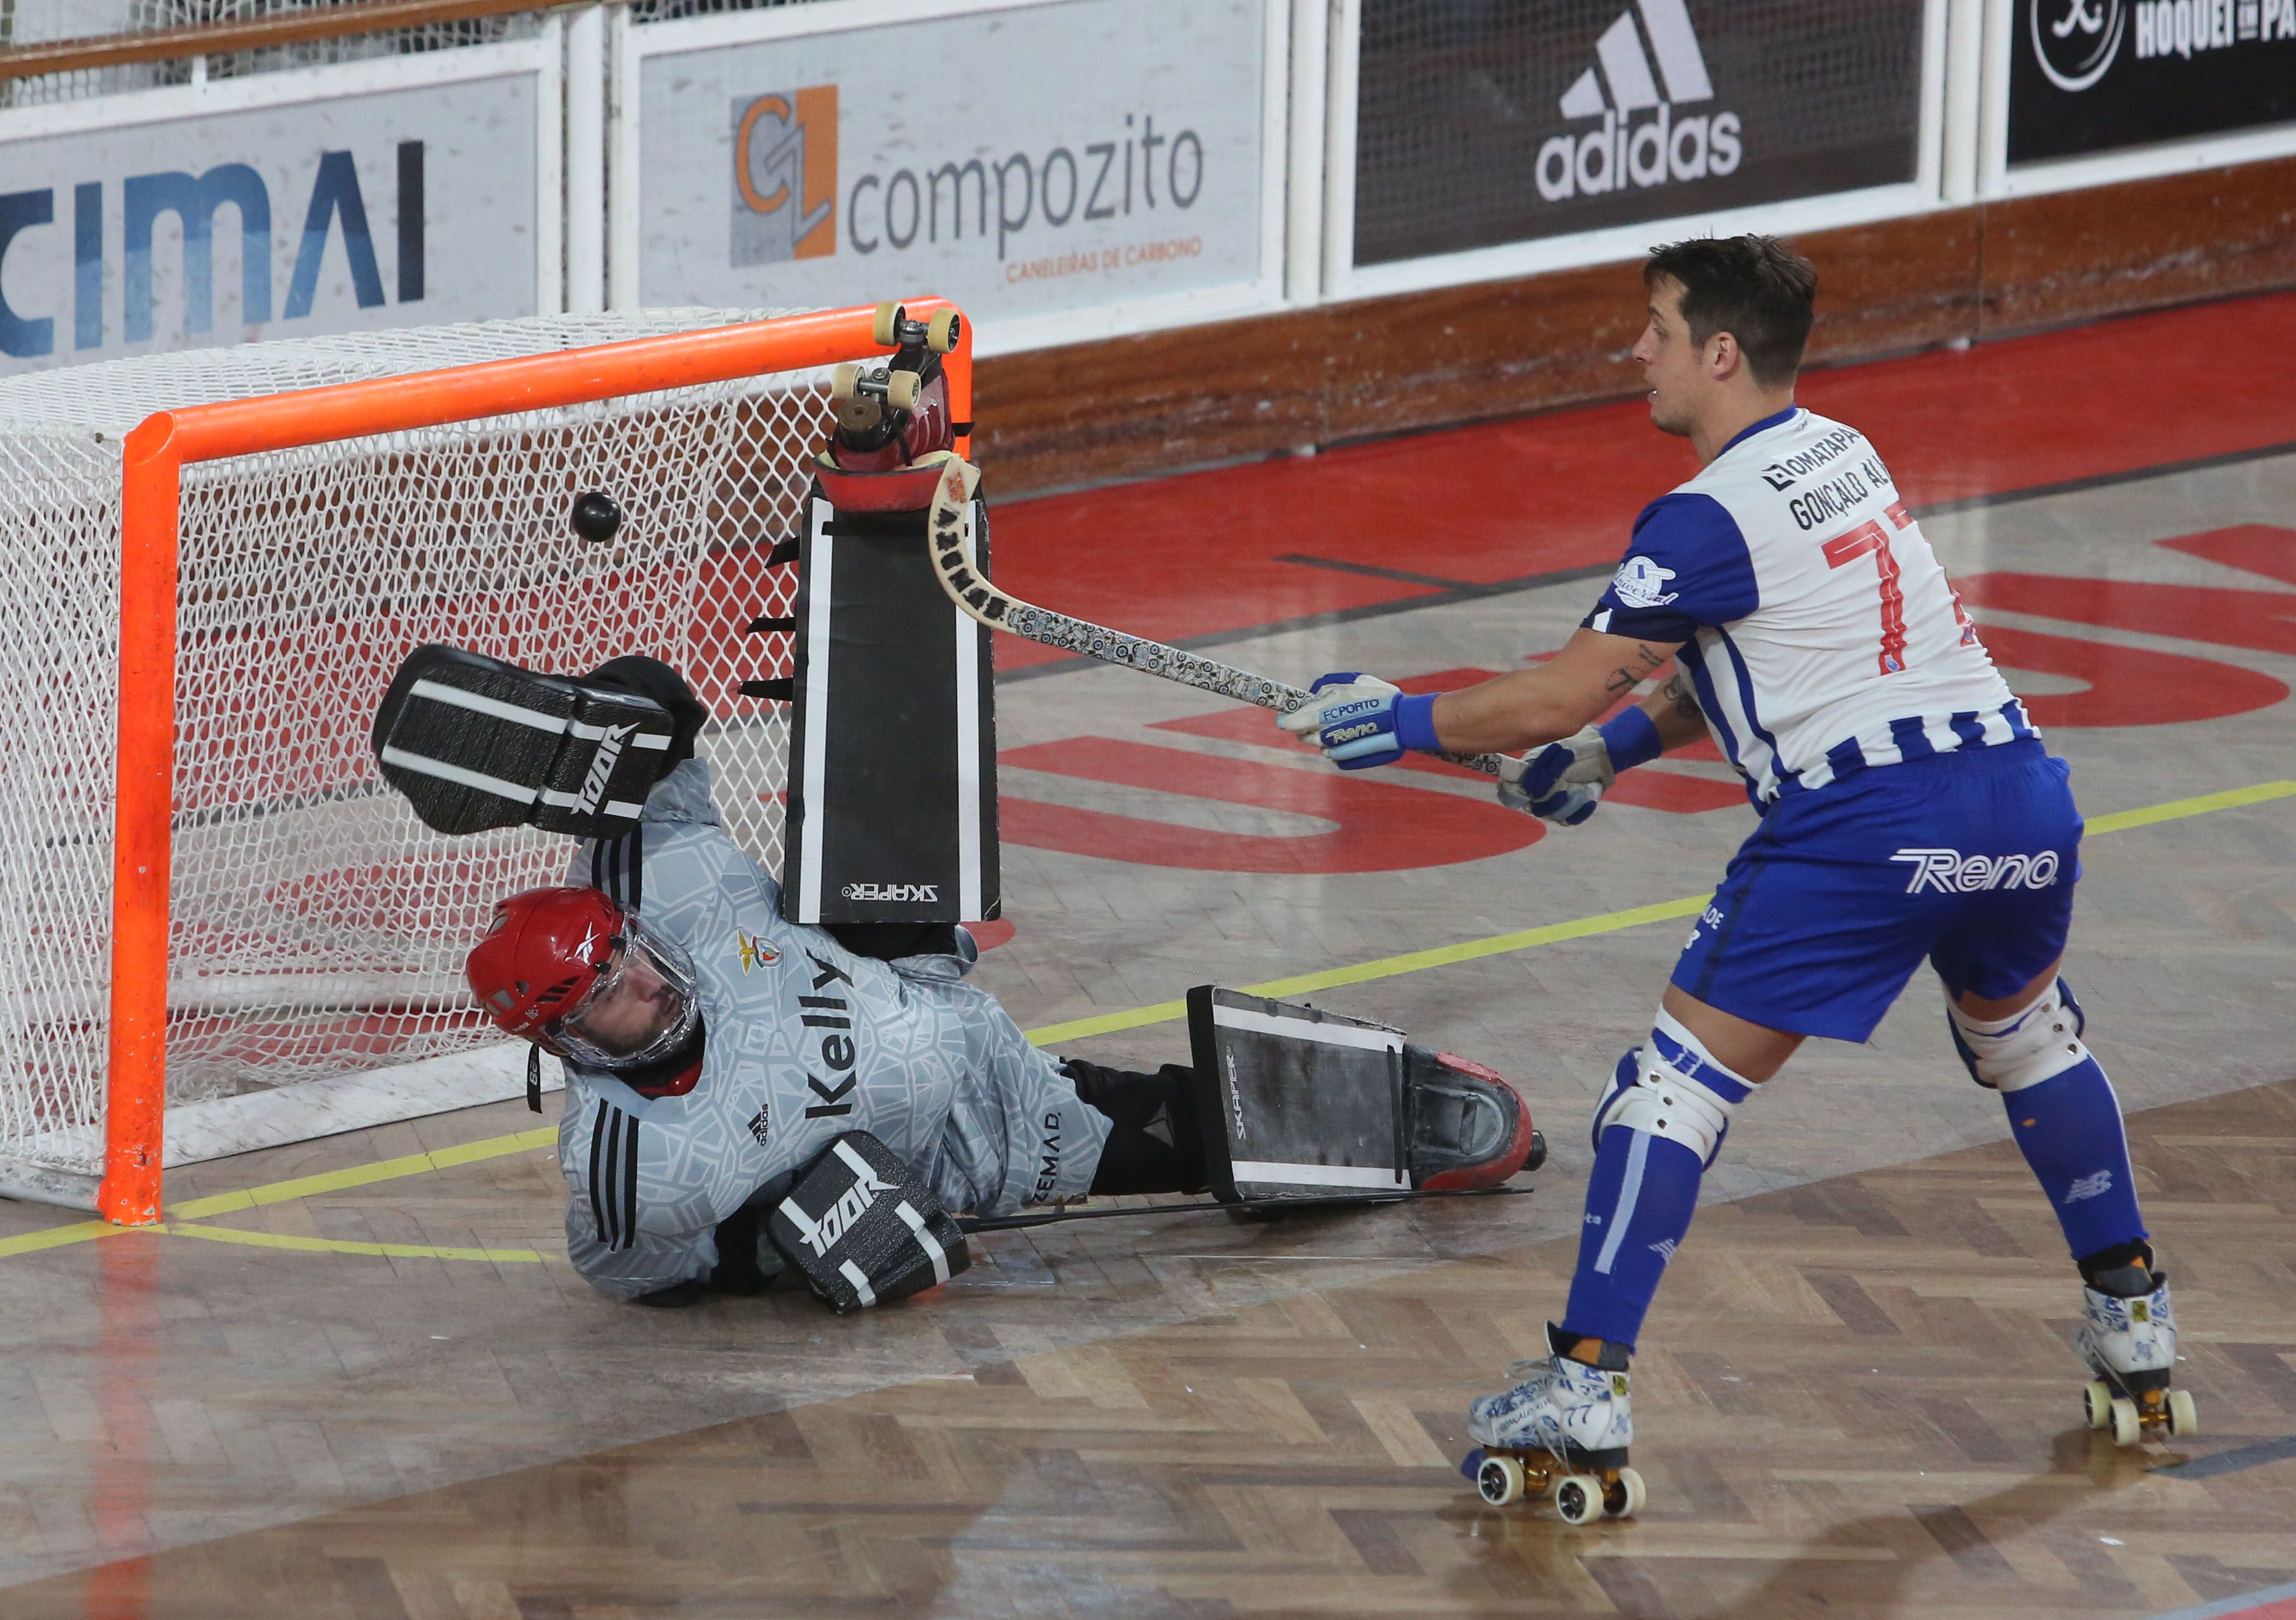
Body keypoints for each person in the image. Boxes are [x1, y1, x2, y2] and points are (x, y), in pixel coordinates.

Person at [1280, 234, 2182, 1490]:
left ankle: (1584, 1394)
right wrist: (1609, 756)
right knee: (2028, 1038)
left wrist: (1407, 717)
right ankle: (2134, 1327)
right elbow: (1745, 661)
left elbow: (1556, 686)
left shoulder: (1701, 516)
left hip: (1868, 825)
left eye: (1653, 327)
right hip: (2023, 801)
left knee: (1669, 1092)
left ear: (1717, 352)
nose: (1632, 352)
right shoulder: (1840, 453)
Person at [465, 660, 1531, 1305]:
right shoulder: (631, 1157)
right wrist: (769, 1248)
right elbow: (618, 1268)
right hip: (991, 1134)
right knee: (1191, 1133)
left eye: (627, 954)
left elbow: (655, 711)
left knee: (870, 807)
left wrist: (600, 712)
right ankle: (1410, 1129)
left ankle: (874, 543)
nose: (642, 982)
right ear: (565, 1043)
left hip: (897, 961)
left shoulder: (651, 880)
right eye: (605, 993)